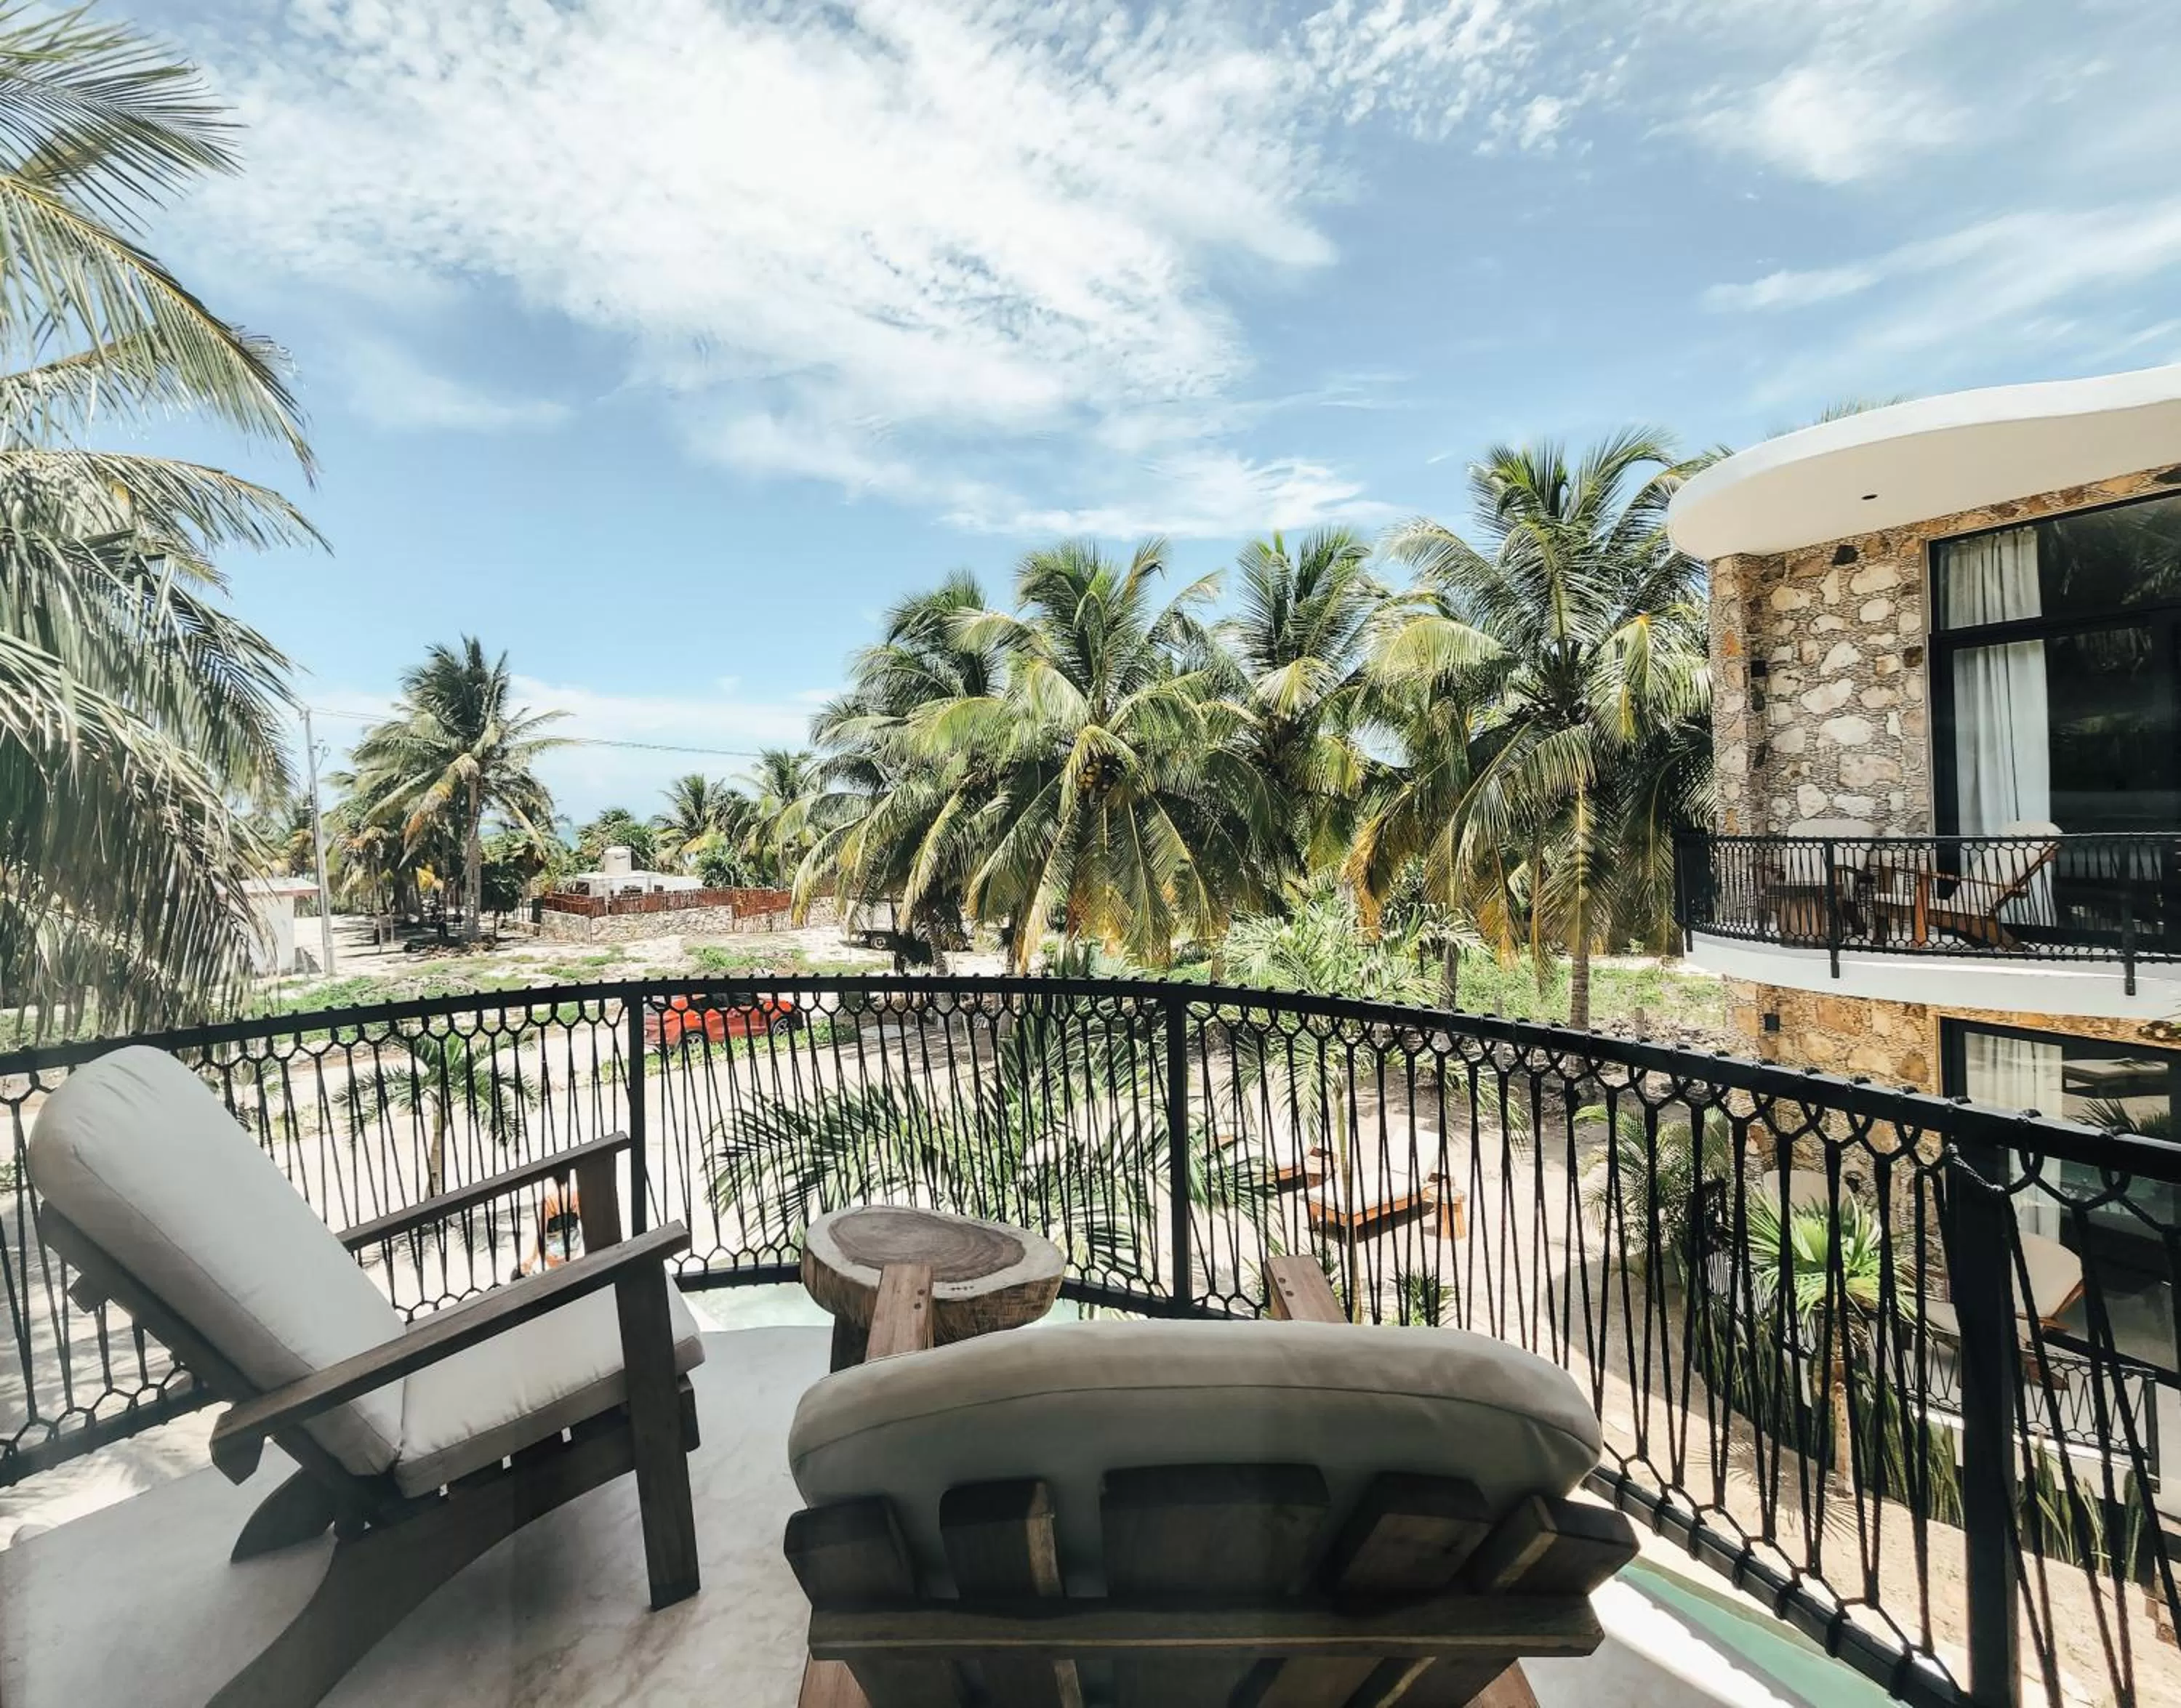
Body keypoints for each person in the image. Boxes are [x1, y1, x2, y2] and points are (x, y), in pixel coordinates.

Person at [513, 1175, 583, 1278]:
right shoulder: (575, 1196)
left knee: (557, 1273)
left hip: (554, 1249)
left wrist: (533, 1258)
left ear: (553, 1178)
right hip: (573, 1244)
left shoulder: (548, 1201)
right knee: (566, 1270)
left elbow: (541, 1233)